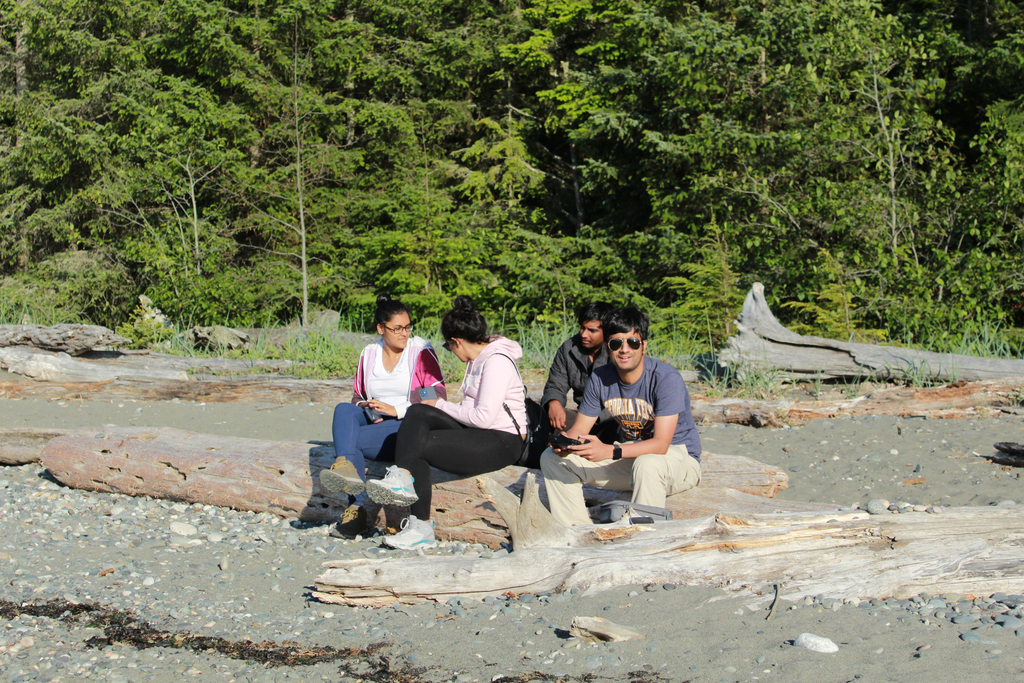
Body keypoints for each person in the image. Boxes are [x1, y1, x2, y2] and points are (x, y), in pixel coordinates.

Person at [364, 295, 528, 549]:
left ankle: (421, 525)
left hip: (502, 442)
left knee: (417, 445)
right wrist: (433, 404)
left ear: (457, 342)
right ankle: (402, 479)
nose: (450, 352)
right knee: (417, 411)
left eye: (449, 347)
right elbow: (470, 411)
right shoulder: (477, 360)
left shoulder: (496, 362)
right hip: (477, 432)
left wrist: (440, 404)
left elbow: (483, 417)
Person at [539, 307, 702, 526]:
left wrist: (610, 450)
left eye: (632, 342)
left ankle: (642, 541)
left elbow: (661, 445)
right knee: (551, 459)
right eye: (616, 343)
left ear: (643, 345)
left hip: (678, 461)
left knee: (648, 464)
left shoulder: (665, 378)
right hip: (632, 458)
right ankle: (577, 533)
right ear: (608, 347)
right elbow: (580, 430)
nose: (624, 350)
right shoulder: (600, 378)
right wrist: (565, 442)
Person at [319, 294, 446, 538]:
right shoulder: (369, 353)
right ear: (380, 328)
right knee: (344, 410)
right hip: (375, 423)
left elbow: (436, 394)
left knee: (349, 443)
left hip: (407, 427)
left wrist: (396, 409)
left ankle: (355, 509)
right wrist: (368, 408)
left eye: (408, 327)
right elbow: (357, 396)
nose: (404, 333)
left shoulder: (420, 351)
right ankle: (345, 469)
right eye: (397, 328)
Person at [540, 301, 617, 443]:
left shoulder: (618, 351)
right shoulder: (569, 348)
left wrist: (588, 420)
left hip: (612, 421)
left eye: (592, 330)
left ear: (607, 332)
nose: (584, 334)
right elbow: (556, 384)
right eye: (582, 328)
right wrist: (554, 402)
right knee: (540, 417)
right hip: (581, 418)